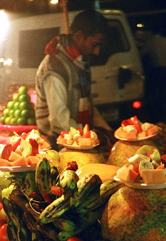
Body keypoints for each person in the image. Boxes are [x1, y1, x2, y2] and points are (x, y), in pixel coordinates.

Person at [35, 9, 114, 147]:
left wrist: (106, 129)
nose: (97, 52)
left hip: (78, 142)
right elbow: (59, 121)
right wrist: (91, 138)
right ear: (78, 36)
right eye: (94, 44)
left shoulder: (81, 63)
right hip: (57, 146)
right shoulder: (54, 67)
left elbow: (88, 104)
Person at [141, 21, 166, 123]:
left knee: (156, 93)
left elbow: (143, 54)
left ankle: (157, 114)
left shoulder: (149, 42)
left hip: (155, 70)